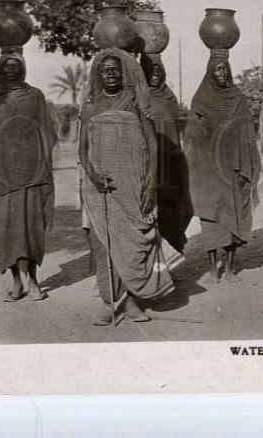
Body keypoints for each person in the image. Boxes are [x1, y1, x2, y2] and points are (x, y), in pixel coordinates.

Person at [79, 48, 183, 325]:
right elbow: (82, 151)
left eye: (116, 69)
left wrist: (150, 186)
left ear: (124, 73)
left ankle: (135, 301)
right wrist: (93, 176)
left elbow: (152, 145)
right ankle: (109, 303)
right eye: (105, 70)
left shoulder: (137, 103)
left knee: (138, 244)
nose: (111, 73)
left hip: (135, 186)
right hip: (99, 189)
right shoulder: (90, 107)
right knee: (105, 246)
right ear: (97, 75)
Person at [0, 50, 56, 302]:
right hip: (2, 175)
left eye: (15, 65)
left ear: (23, 68)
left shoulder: (35, 96)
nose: (11, 70)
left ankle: (33, 280)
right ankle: (16, 281)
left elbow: (46, 133)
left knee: (30, 227)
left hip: (30, 172)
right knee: (7, 229)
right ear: (0, 69)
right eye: (6, 66)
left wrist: (37, 159)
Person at [185, 56, 261, 284]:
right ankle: (211, 270)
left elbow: (246, 131)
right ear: (210, 72)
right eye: (217, 70)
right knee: (210, 219)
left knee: (233, 217)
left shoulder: (237, 98)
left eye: (225, 69)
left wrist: (244, 163)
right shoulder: (200, 99)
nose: (222, 74)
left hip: (232, 167)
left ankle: (229, 268)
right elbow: (192, 134)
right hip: (207, 169)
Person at [141, 55, 193, 253]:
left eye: (159, 70)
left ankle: (168, 263)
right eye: (151, 71)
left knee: (176, 210)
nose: (155, 75)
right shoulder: (138, 98)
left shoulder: (170, 99)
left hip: (170, 163)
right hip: (148, 164)